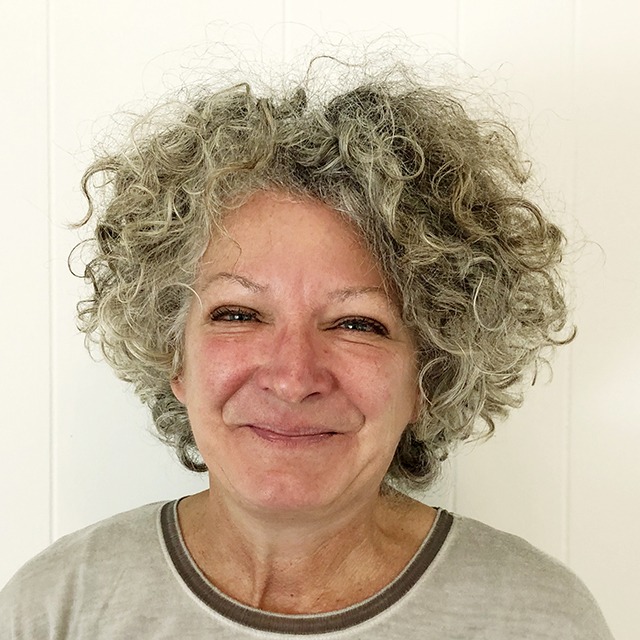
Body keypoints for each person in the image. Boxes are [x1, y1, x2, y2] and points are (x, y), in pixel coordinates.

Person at [0, 59, 614, 638]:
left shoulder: (539, 620)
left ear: (432, 377)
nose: (293, 378)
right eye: (238, 314)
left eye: (357, 324)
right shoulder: (56, 609)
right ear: (174, 356)